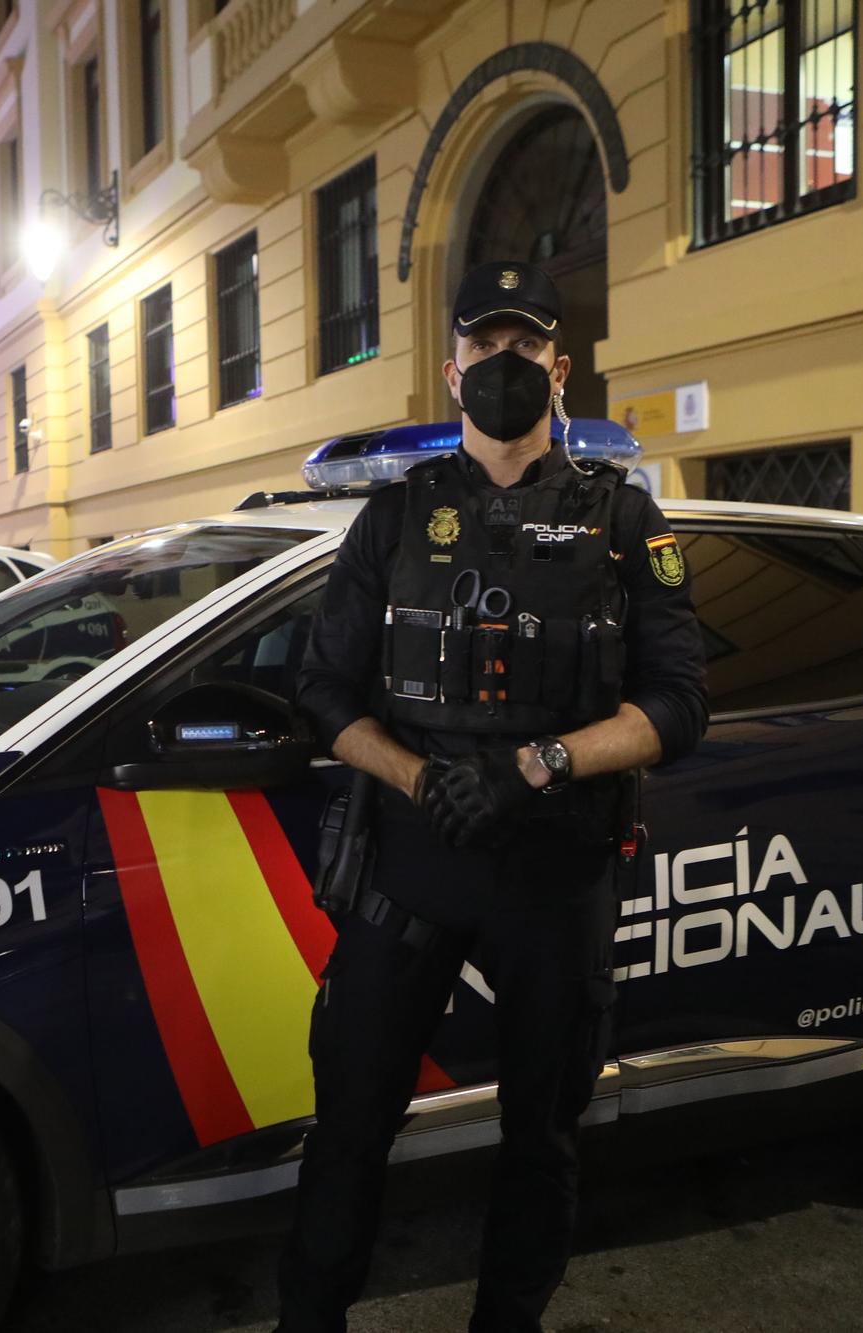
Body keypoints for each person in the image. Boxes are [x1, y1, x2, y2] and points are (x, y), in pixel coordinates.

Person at [276, 261, 709, 1332]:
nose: (503, 367)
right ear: (451, 366)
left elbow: (679, 703)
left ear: (558, 370)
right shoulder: (392, 519)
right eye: (485, 349)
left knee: (540, 1134)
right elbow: (321, 691)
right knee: (348, 1126)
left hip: (553, 867)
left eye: (525, 351)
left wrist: (535, 766)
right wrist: (420, 776)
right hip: (411, 862)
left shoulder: (620, 518)